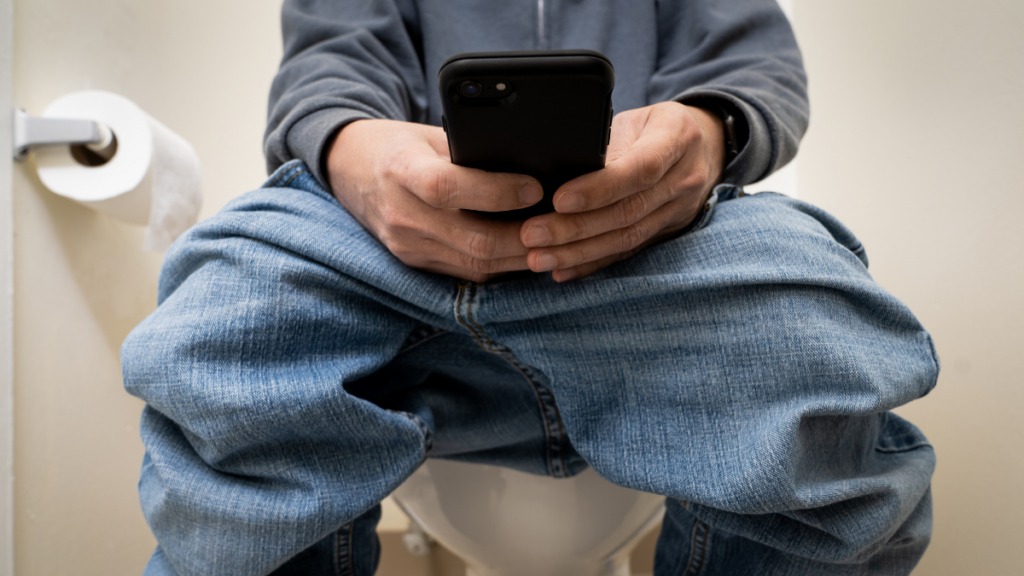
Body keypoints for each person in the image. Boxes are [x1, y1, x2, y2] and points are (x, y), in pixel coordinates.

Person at [121, 1, 938, 574]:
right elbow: (331, 61)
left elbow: (753, 64)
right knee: (217, 322)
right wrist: (356, 154)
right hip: (389, 251)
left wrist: (707, 131)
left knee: (822, 337)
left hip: (650, 253)